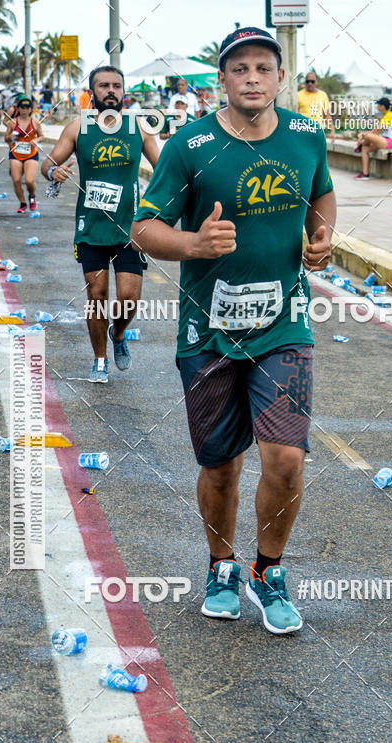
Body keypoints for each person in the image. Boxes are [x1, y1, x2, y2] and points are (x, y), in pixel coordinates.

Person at [131, 26, 336, 635]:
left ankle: (268, 572)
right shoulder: (189, 146)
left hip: (284, 323)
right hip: (209, 331)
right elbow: (143, 227)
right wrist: (193, 244)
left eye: (263, 68)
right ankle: (221, 566)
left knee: (286, 458)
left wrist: (321, 237)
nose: (252, 78)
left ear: (280, 78)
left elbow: (322, 195)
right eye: (239, 68)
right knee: (221, 466)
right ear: (221, 79)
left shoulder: (306, 135)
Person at [40, 65, 160, 383]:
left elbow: (163, 169)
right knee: (97, 295)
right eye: (103, 85)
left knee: (129, 300)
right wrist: (53, 172)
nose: (110, 91)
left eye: (116, 86)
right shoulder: (78, 128)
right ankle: (100, 359)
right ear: (92, 91)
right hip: (91, 228)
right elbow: (47, 162)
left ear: (124, 92)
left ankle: (118, 333)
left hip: (129, 228)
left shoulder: (139, 128)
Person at [5, 96, 43, 212]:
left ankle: (32, 195)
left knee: (29, 181)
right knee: (16, 180)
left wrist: (36, 140)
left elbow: (42, 136)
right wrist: (10, 137)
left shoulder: (35, 123)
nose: (24, 110)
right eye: (22, 108)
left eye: (27, 108)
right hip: (15, 154)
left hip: (31, 154)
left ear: (31, 109)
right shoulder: (12, 122)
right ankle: (22, 203)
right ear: (18, 109)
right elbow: (6, 138)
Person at [354, 96, 392, 180]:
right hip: (387, 140)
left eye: (378, 105)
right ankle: (365, 174)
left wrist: (363, 136)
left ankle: (361, 144)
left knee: (367, 136)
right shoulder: (386, 115)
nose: (377, 106)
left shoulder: (389, 115)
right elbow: (376, 131)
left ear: (382, 106)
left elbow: (377, 131)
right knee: (365, 149)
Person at [297, 71, 336, 138]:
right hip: (302, 132)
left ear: (317, 82)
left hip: (318, 132)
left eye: (312, 81)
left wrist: (332, 131)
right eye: (307, 81)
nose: (310, 83)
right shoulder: (298, 95)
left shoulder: (323, 95)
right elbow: (294, 114)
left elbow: (327, 115)